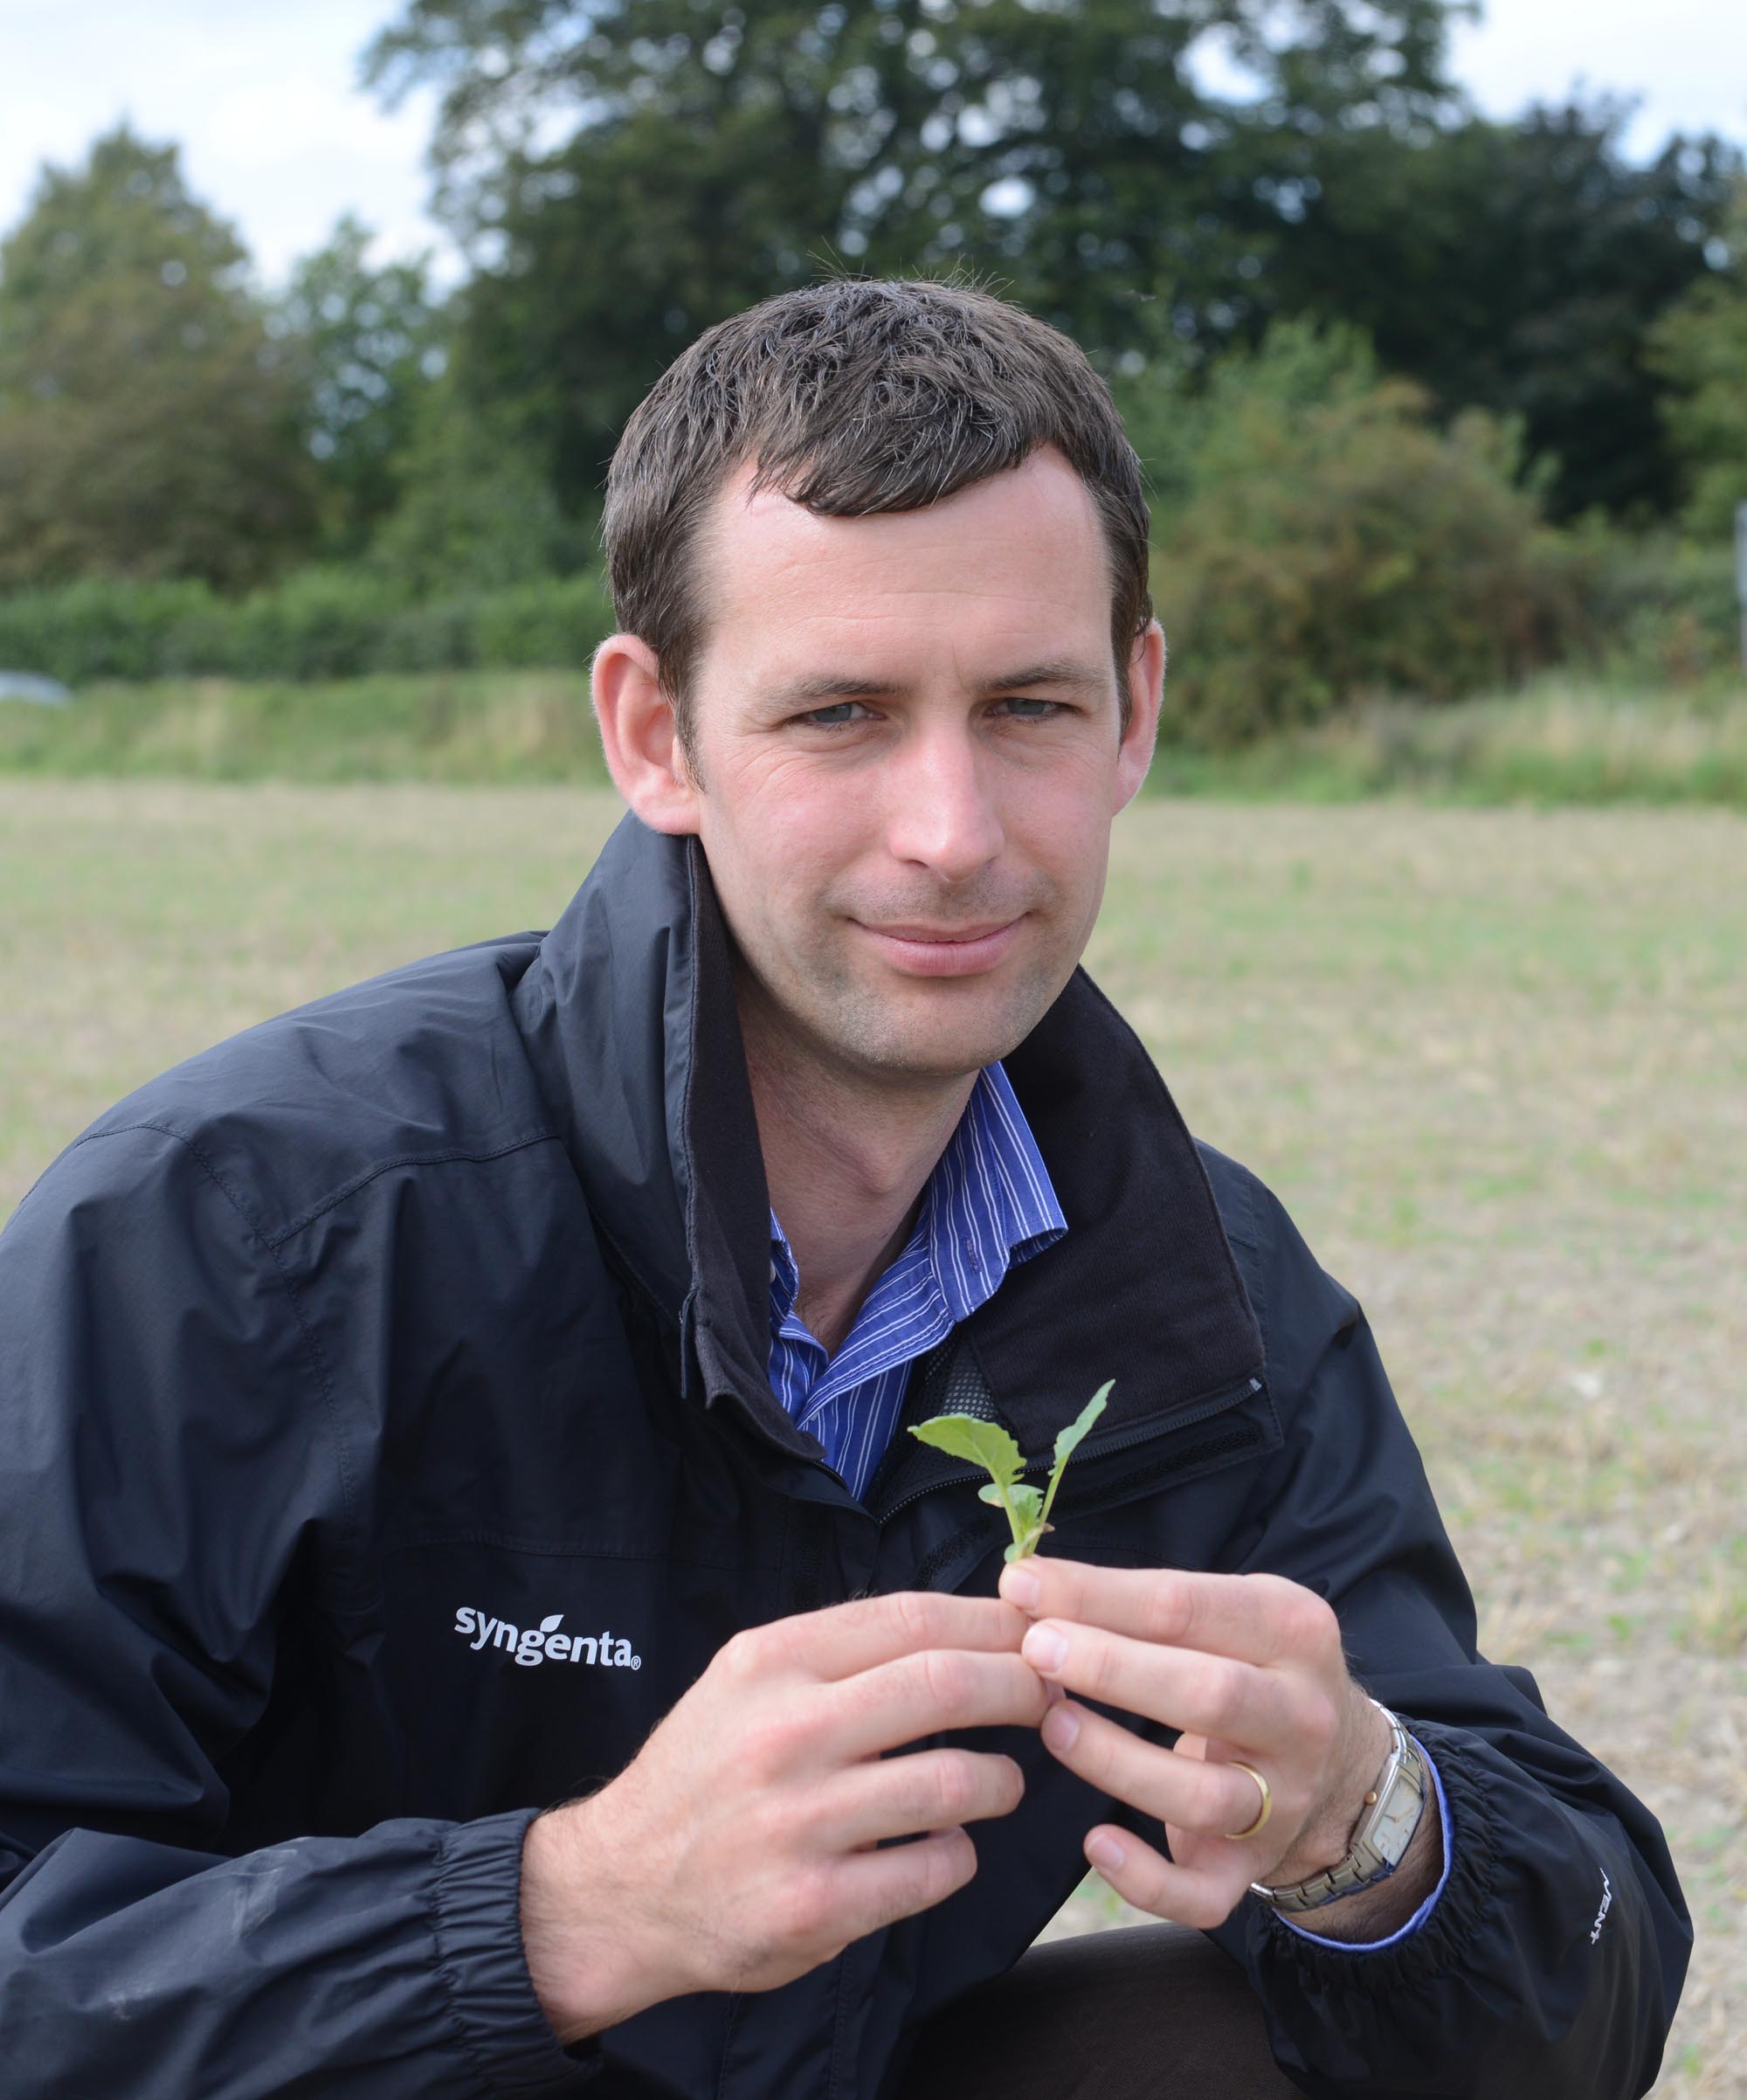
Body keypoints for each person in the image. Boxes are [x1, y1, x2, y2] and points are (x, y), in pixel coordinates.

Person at [0, 279, 1688, 2099]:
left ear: (1133, 711)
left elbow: (1584, 1983)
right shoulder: (234, 1232)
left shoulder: (1203, 1293)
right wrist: (558, 1909)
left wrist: (1374, 1822)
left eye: (1028, 704)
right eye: (842, 713)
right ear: (654, 732)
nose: (952, 831)